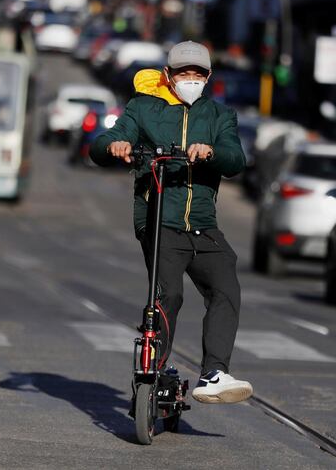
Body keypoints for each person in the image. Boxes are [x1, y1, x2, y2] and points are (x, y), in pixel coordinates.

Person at [90, 40, 253, 404]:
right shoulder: (144, 108)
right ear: (168, 75)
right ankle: (154, 368)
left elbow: (235, 159)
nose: (191, 79)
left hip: (203, 225)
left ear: (208, 77)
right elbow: (103, 143)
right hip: (159, 220)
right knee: (169, 295)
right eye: (184, 73)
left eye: (198, 74)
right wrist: (114, 147)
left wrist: (210, 152)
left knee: (226, 287)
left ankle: (214, 373)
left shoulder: (219, 116)